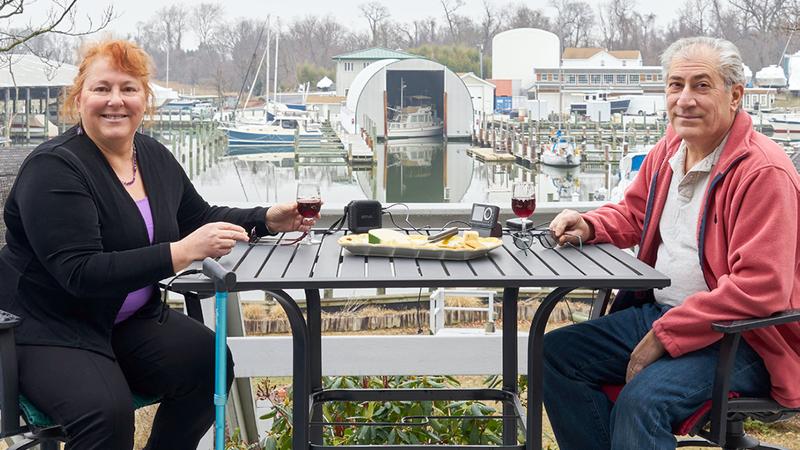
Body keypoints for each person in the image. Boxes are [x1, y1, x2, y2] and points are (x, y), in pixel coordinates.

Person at [0, 40, 317, 450]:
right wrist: (182, 251)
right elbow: (80, 272)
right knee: (105, 415)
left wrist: (266, 219)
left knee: (210, 363)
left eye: (128, 89)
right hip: (50, 327)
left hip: (127, 321)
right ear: (78, 98)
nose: (116, 101)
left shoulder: (151, 156)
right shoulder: (54, 168)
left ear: (144, 99)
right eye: (102, 88)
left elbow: (198, 218)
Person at [543, 36, 800, 449]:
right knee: (556, 354)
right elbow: (635, 215)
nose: (685, 99)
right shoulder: (671, 149)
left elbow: (761, 287)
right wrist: (589, 225)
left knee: (643, 402)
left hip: (742, 338)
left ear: (735, 96)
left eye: (701, 85)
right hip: (666, 314)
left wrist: (665, 335)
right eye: (675, 85)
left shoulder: (764, 172)